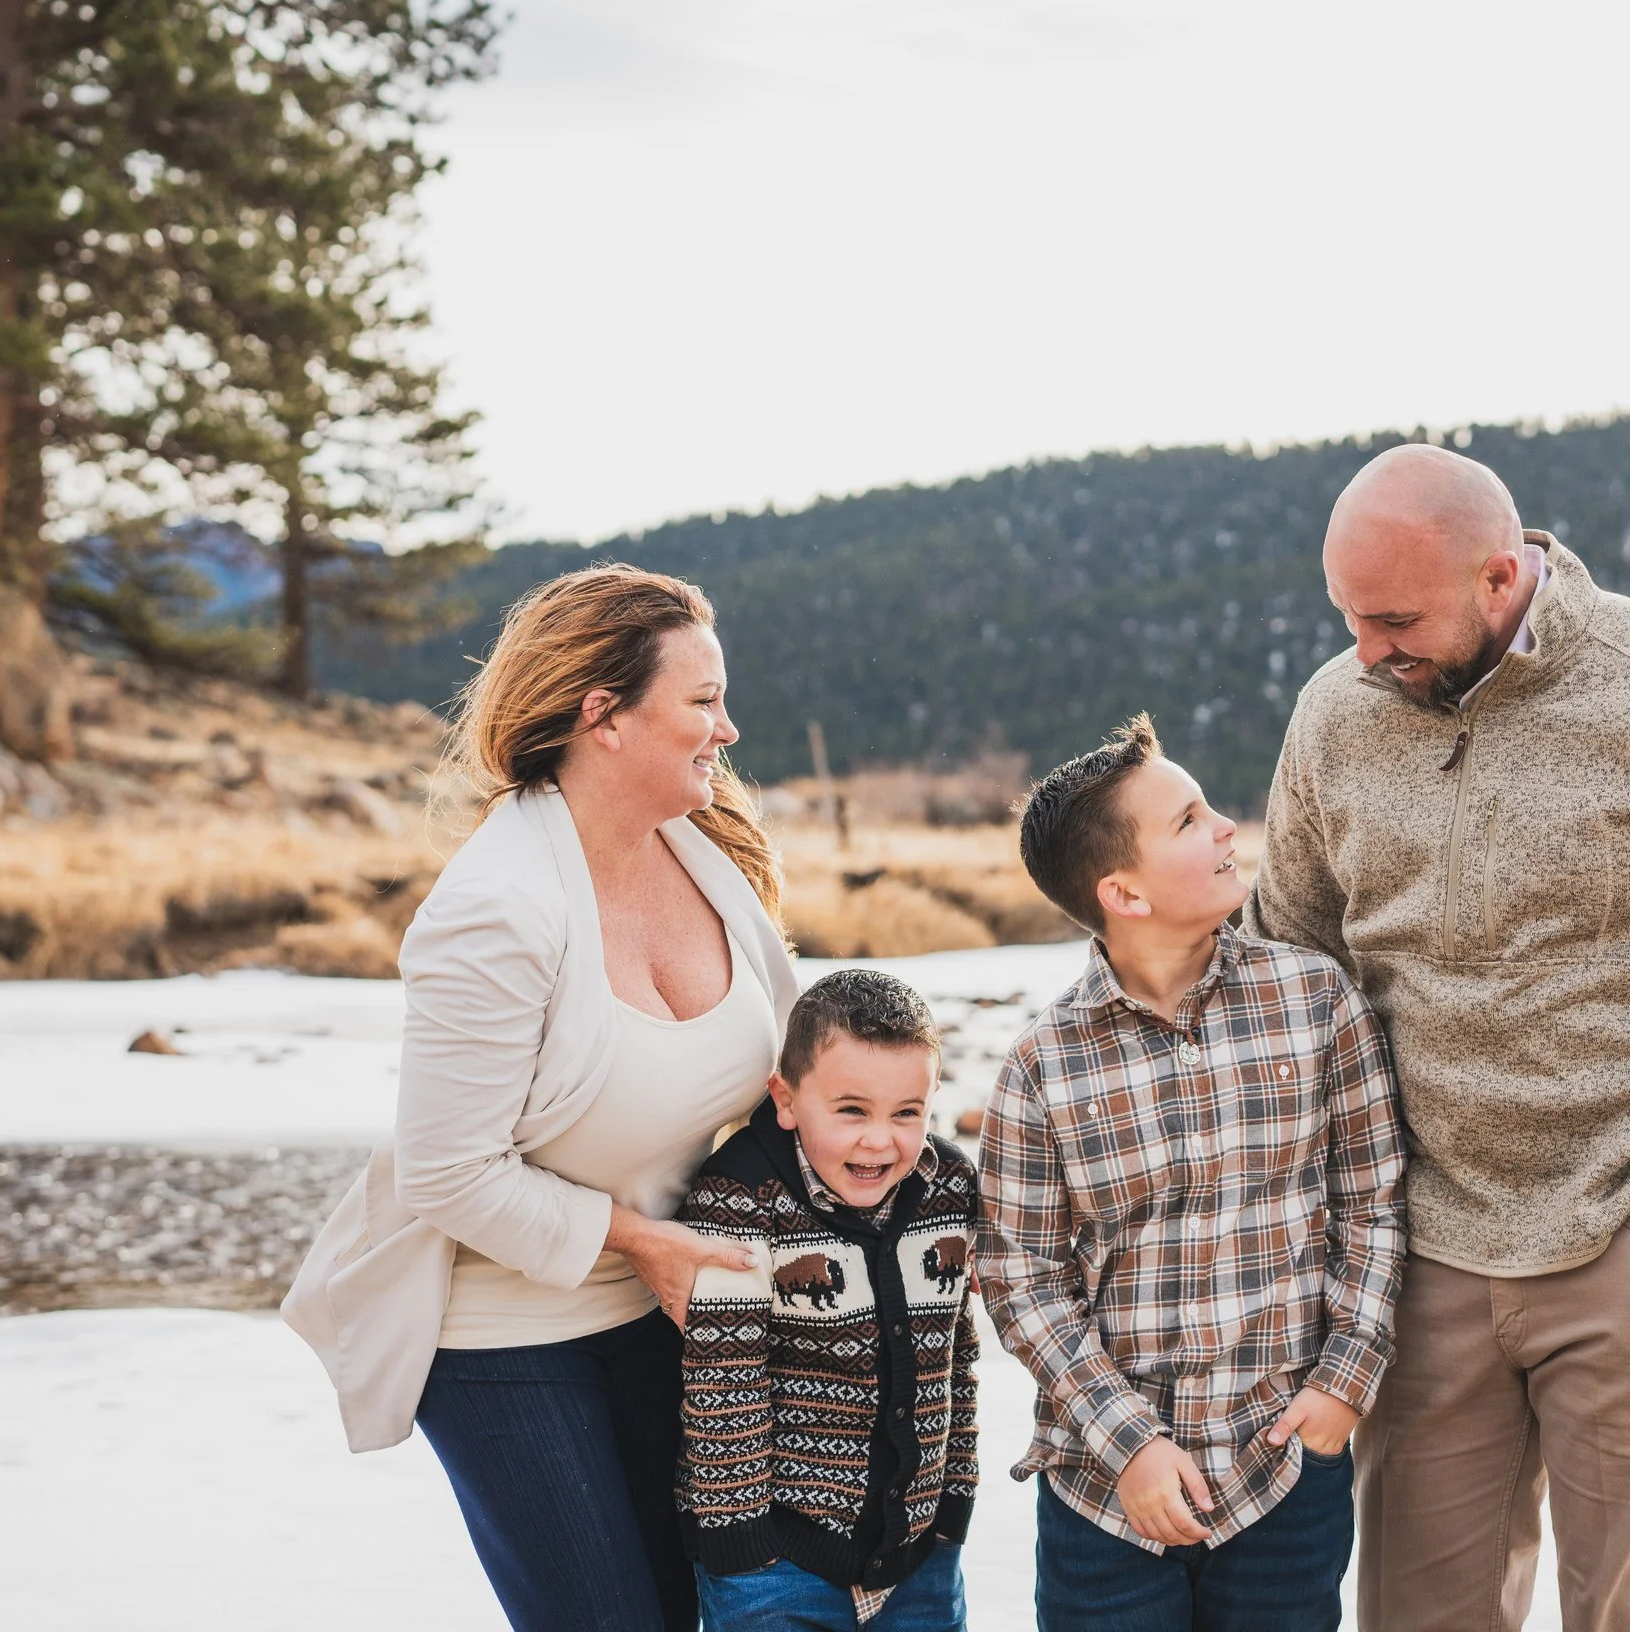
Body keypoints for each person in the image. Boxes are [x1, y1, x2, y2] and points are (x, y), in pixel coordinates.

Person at [1244, 443, 1630, 1632]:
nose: (1367, 651)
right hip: (1419, 1261)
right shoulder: (1337, 711)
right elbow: (1291, 959)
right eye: (1347, 618)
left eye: (1393, 619)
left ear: (1496, 577)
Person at [282, 565, 798, 1632]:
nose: (728, 729)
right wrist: (646, 1244)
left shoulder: (707, 859)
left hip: (663, 1311)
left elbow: (783, 1086)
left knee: (687, 1610)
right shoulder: (495, 907)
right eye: (702, 702)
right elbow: (446, 1172)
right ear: (601, 715)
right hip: (502, 1333)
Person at [977, 714, 1408, 1632]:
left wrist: (1344, 1379)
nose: (1223, 827)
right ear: (1122, 893)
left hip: (1286, 1463)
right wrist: (1131, 1445)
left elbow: (1371, 1201)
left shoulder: (1316, 999)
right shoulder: (1044, 1063)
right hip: (1109, 1490)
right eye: (1188, 820)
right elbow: (1021, 1278)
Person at [674, 968, 980, 1631]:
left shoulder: (950, 1186)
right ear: (786, 1099)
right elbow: (724, 1384)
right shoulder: (742, 1196)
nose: (880, 1140)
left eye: (907, 1112)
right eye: (851, 1110)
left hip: (917, 1556)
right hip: (777, 1562)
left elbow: (956, 1359)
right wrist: (741, 1549)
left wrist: (953, 1504)